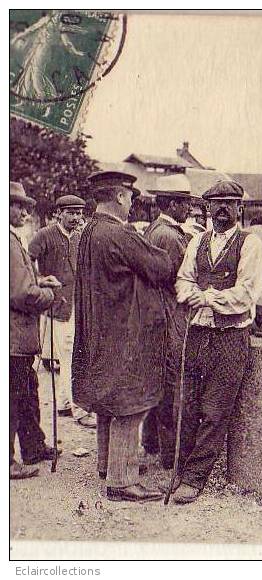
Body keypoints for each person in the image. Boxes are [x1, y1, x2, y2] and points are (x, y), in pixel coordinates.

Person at [72, 171, 177, 503]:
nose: (132, 204)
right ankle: (122, 480)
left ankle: (108, 464)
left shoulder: (90, 231)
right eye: (130, 197)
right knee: (130, 404)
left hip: (100, 330)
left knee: (107, 401)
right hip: (124, 331)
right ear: (119, 197)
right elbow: (160, 267)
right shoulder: (119, 233)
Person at [171, 180, 262, 504]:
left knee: (214, 410)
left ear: (240, 208)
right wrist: (190, 294)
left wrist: (207, 297)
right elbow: (183, 280)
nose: (222, 209)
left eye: (229, 203)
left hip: (230, 336)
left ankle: (195, 478)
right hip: (197, 332)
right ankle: (181, 469)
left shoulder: (250, 244)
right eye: (216, 203)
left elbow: (246, 293)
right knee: (187, 404)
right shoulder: (197, 241)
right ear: (207, 208)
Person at [140, 174, 193, 468]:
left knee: (158, 380)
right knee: (172, 382)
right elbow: (180, 279)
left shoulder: (155, 229)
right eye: (184, 203)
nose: (189, 209)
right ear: (172, 204)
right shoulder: (170, 237)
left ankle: (151, 441)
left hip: (156, 313)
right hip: (171, 312)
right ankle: (170, 453)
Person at [10, 182, 62, 479]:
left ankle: (33, 447)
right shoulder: (9, 242)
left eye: (27, 207)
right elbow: (20, 295)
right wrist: (47, 296)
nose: (26, 213)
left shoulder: (15, 240)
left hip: (19, 339)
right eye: (18, 206)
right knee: (14, 399)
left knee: (28, 392)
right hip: (13, 338)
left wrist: (41, 282)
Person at [28, 194, 86, 423]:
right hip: (56, 306)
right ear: (58, 213)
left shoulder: (81, 237)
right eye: (70, 212)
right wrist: (40, 279)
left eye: (79, 212)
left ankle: (63, 402)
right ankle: (78, 409)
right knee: (70, 356)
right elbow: (25, 261)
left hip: (77, 304)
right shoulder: (45, 235)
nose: (75, 217)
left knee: (70, 355)